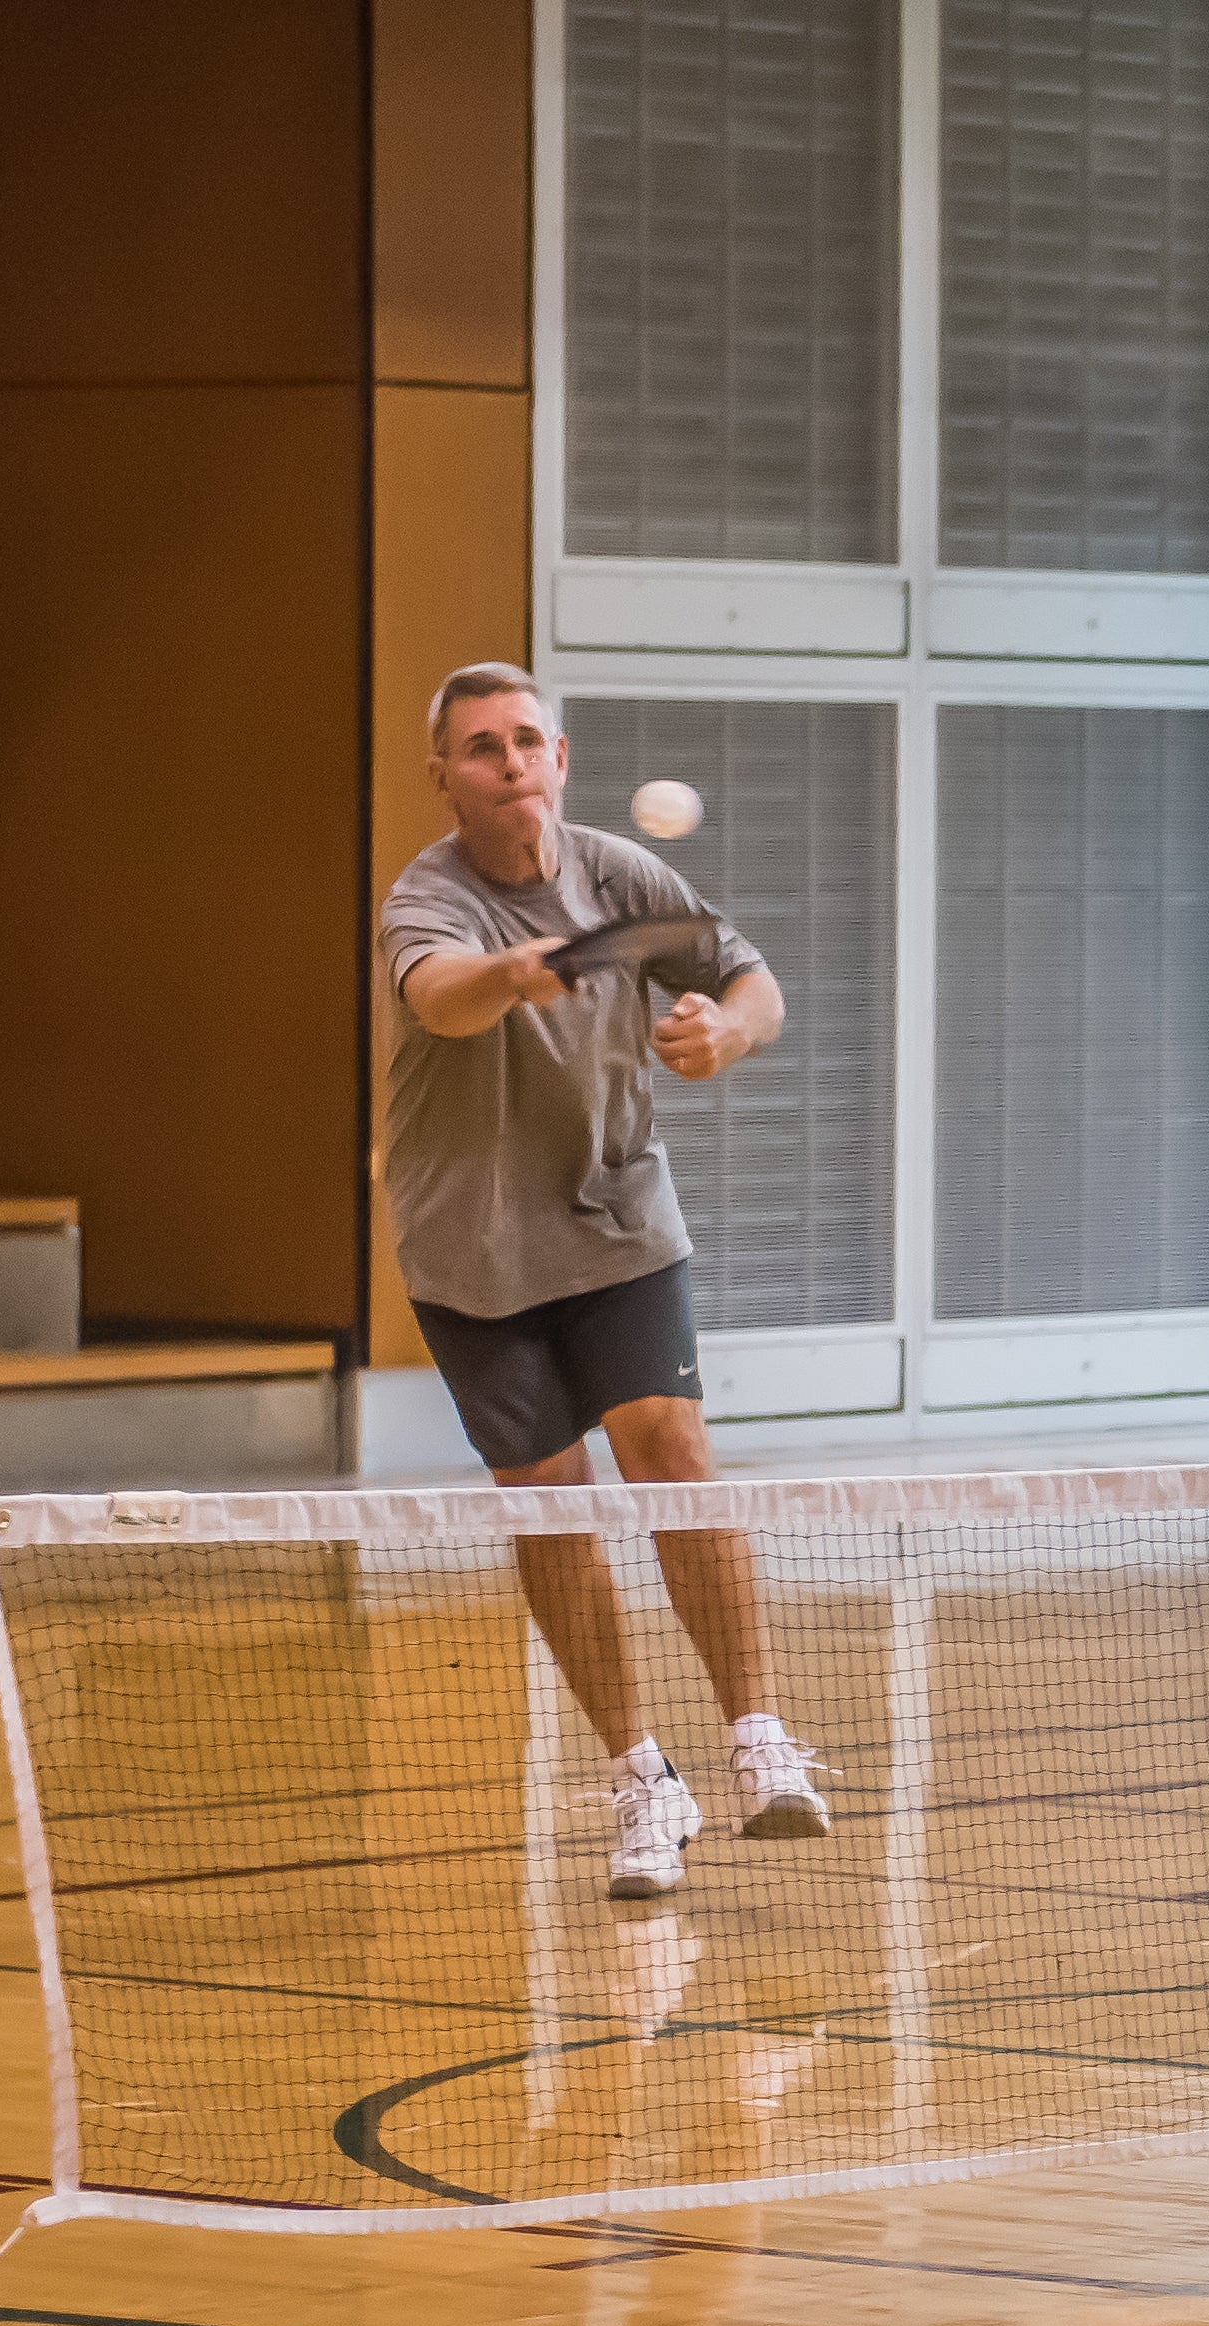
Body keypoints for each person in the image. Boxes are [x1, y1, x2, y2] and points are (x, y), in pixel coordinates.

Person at [381, 662, 819, 1903]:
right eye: (481, 747)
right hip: (475, 1249)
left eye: (527, 740)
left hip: (618, 1214)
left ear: (560, 759)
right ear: (447, 777)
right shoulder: (432, 898)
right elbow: (440, 999)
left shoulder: (622, 876)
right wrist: (517, 974)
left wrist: (725, 1030)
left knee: (668, 1448)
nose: (509, 762)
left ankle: (759, 1740)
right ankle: (641, 1778)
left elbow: (749, 978)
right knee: (551, 1501)